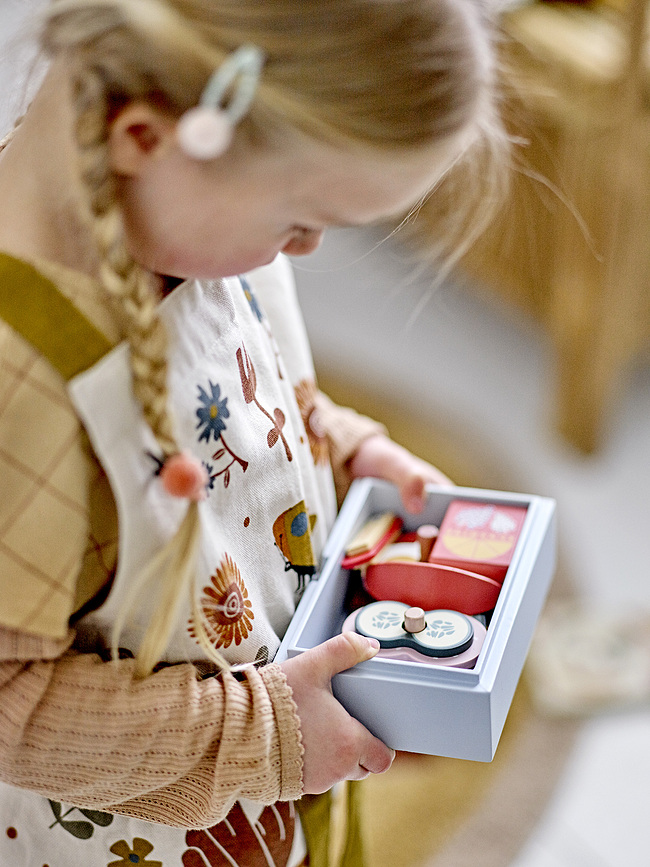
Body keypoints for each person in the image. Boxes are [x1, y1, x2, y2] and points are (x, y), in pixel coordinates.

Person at [0, 1, 506, 865]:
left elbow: (240, 381)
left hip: (273, 783)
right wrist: (262, 732)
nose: (305, 247)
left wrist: (338, 444)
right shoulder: (23, 388)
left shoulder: (185, 231)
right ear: (144, 138)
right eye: (299, 219)